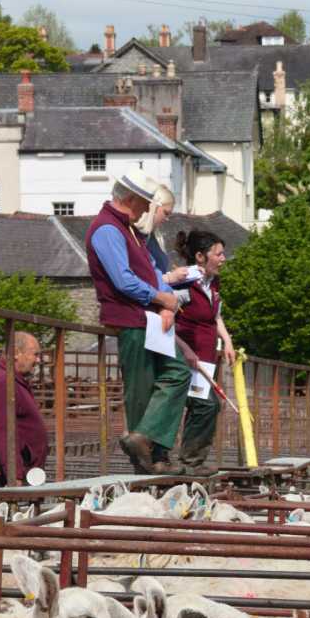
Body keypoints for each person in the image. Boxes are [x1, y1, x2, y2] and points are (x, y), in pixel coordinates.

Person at [86, 169, 190, 474]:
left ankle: (147, 444)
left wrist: (164, 300)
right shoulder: (108, 229)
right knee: (144, 389)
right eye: (145, 203)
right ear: (130, 199)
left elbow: (150, 273)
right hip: (132, 319)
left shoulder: (125, 229)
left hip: (144, 318)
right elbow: (123, 281)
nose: (147, 209)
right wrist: (163, 299)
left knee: (174, 374)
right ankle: (149, 458)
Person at [171, 229, 236, 476]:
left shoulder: (213, 282)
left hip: (205, 358)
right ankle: (189, 462)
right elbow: (164, 317)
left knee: (204, 405)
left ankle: (190, 461)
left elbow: (214, 316)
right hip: (186, 357)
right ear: (200, 256)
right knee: (206, 405)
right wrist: (184, 348)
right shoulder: (186, 283)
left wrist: (227, 341)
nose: (223, 258)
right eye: (218, 254)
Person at [0, 331, 49, 486]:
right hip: (8, 472)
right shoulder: (3, 383)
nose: (38, 360)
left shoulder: (12, 380)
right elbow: (3, 431)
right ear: (16, 353)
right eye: (35, 354)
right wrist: (15, 476)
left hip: (21, 468)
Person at [136, 184, 189, 285]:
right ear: (154, 207)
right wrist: (170, 277)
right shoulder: (135, 236)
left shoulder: (151, 236)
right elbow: (138, 279)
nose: (167, 218)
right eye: (166, 212)